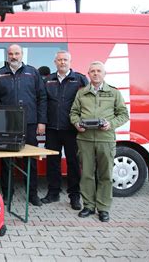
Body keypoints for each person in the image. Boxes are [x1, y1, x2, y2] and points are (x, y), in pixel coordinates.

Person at [70, 61, 129, 222]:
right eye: (92, 71)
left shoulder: (114, 93)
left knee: (105, 175)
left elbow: (123, 114)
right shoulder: (81, 93)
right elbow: (74, 113)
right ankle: (88, 206)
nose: (95, 74)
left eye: (98, 71)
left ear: (104, 74)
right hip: (85, 139)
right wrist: (76, 124)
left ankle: (103, 208)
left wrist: (111, 124)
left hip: (106, 139)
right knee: (87, 174)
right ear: (88, 74)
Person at [0, 44, 47, 206]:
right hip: (7, 125)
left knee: (31, 160)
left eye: (17, 53)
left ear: (22, 54)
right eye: (11, 54)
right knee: (7, 161)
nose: (14, 56)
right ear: (7, 56)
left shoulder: (32, 72)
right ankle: (8, 194)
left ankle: (32, 194)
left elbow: (42, 97)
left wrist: (41, 121)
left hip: (29, 123)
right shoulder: (0, 74)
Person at [42, 51, 88, 210]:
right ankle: (53, 193)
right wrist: (42, 122)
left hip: (71, 129)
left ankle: (75, 196)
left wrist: (83, 123)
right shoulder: (48, 80)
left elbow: (87, 103)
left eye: (65, 60)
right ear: (55, 62)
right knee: (52, 162)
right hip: (52, 129)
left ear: (70, 61)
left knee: (73, 163)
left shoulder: (80, 79)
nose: (62, 62)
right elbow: (42, 102)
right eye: (59, 60)